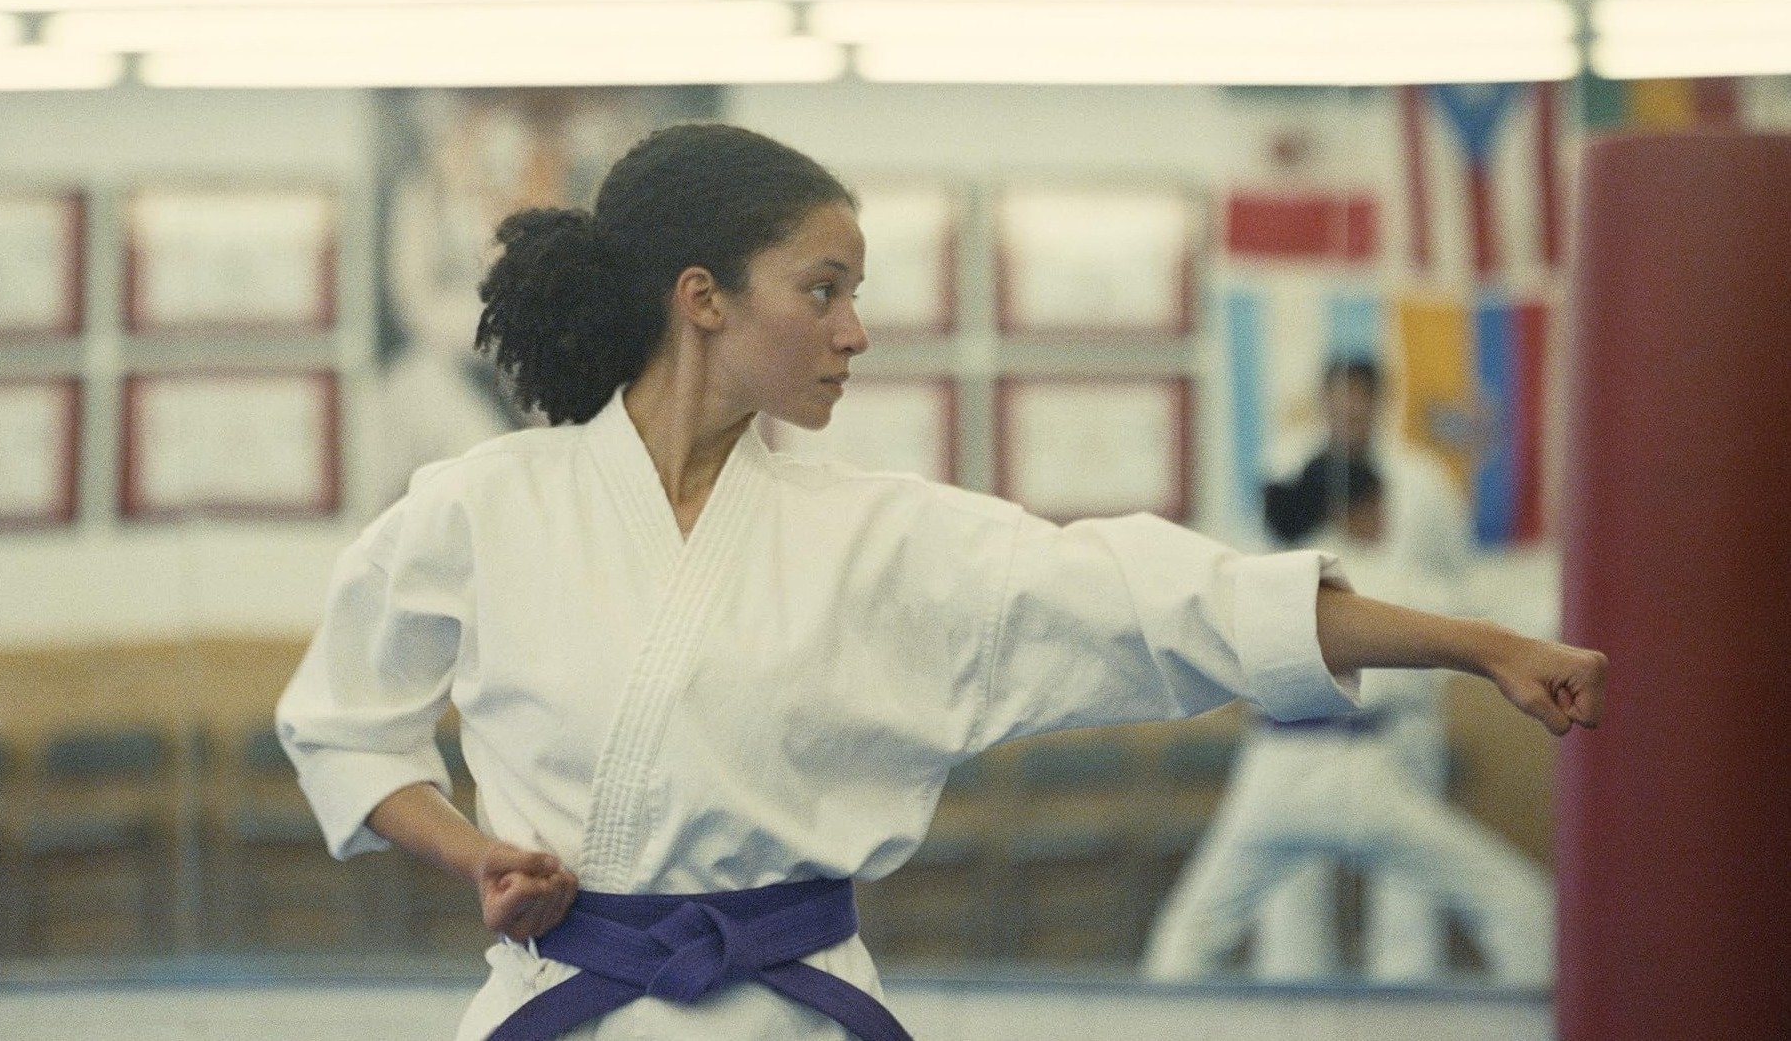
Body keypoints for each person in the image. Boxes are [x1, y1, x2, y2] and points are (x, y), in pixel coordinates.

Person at [276, 123, 1604, 1040]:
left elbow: (1152, 596)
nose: (857, 329)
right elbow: (342, 720)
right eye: (825, 286)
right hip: (561, 1007)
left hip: (793, 1009)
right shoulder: (483, 506)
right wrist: (479, 854)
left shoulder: (890, 535)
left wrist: (1471, 640)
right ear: (704, 298)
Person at [1142, 361, 1555, 986]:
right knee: (1508, 902)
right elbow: (1487, 613)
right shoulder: (1378, 584)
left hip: (1287, 764)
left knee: (1197, 933)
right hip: (1356, 763)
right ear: (1366, 509)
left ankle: (1158, 1012)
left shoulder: (1291, 576)